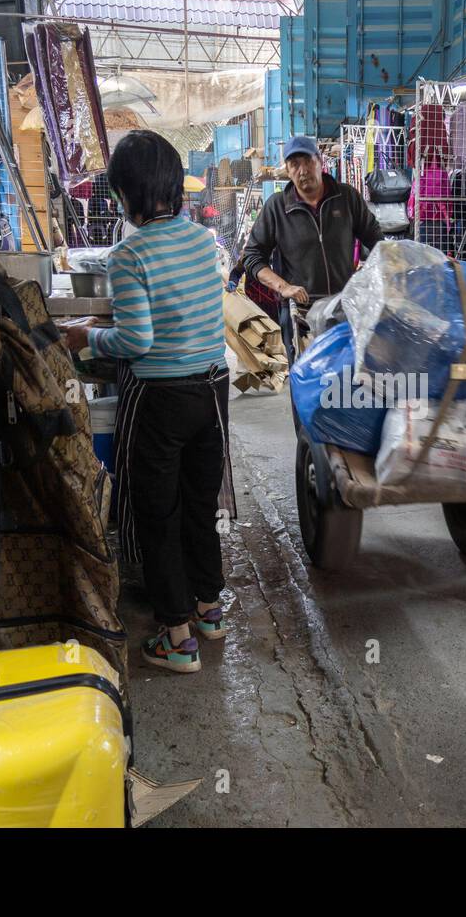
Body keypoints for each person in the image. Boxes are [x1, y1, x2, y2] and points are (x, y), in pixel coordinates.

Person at [61, 131, 229, 674]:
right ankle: (208, 610)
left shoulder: (128, 254)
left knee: (158, 515)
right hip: (213, 390)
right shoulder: (205, 242)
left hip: (161, 398)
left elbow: (136, 342)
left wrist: (85, 337)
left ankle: (176, 640)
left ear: (126, 194)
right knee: (200, 506)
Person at [241, 135, 383, 360]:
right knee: (306, 382)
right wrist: (283, 286)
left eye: (307, 161)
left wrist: (371, 278)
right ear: (287, 170)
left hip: (343, 309)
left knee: (345, 381)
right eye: (294, 164)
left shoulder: (346, 198)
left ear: (319, 161)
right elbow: (252, 257)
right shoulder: (277, 208)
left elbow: (377, 241)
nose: (302, 170)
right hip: (301, 314)